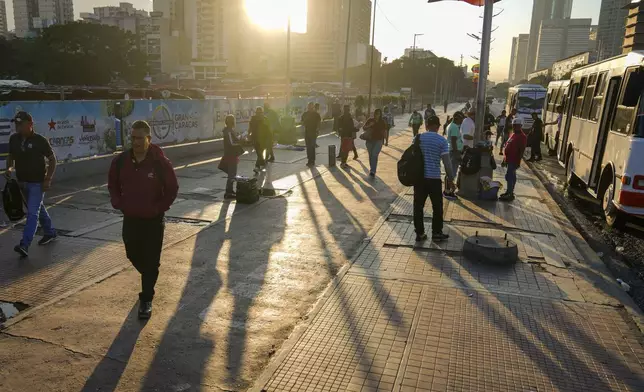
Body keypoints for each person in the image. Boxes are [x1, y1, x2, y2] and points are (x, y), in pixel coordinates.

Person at [108, 120, 179, 319]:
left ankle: (146, 298)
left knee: (152, 261)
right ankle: (149, 275)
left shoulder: (159, 162)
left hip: (153, 221)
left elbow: (172, 189)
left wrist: (158, 208)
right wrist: (118, 202)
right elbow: (112, 184)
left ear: (149, 139)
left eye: (140, 138)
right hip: (130, 218)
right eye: (133, 137)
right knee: (132, 254)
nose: (136, 142)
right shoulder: (121, 161)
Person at [5, 111, 57, 257]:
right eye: (16, 123)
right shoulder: (14, 139)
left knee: (32, 213)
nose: (17, 126)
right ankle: (50, 232)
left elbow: (53, 160)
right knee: (38, 208)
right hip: (22, 183)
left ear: (30, 124)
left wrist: (48, 179)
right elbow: (11, 157)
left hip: (37, 184)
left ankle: (25, 244)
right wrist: (9, 169)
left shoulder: (40, 140)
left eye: (20, 124)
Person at [414, 115, 455, 242]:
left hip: (419, 178)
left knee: (418, 206)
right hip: (434, 178)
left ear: (426, 126)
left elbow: (413, 157)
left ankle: (420, 234)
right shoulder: (442, 141)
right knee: (437, 207)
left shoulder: (418, 138)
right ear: (438, 127)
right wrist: (451, 178)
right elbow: (447, 162)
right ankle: (437, 233)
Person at [500, 118, 527, 202]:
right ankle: (508, 191)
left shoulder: (522, 136)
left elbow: (521, 150)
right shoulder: (513, 134)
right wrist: (504, 159)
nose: (515, 127)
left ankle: (510, 194)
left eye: (517, 126)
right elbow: (508, 146)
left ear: (521, 126)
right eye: (514, 126)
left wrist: (518, 161)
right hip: (508, 159)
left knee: (510, 176)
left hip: (514, 160)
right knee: (510, 176)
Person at [221, 115, 242, 198]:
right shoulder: (228, 131)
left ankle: (230, 190)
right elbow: (231, 143)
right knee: (232, 174)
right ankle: (228, 192)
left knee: (232, 174)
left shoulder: (228, 130)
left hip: (231, 154)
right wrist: (240, 142)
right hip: (231, 154)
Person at [363, 108, 388, 177]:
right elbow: (364, 128)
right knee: (371, 156)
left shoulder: (382, 122)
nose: (377, 115)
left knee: (374, 154)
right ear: (374, 114)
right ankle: (372, 169)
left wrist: (386, 140)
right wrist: (369, 125)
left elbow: (385, 131)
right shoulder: (370, 120)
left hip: (379, 140)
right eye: (376, 113)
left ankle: (373, 171)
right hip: (369, 141)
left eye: (379, 114)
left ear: (380, 114)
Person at [249, 106, 273, 173]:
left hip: (263, 140)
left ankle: (257, 166)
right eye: (257, 113)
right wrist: (248, 135)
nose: (259, 114)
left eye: (260, 113)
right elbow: (250, 128)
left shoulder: (266, 119)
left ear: (262, 113)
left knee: (260, 153)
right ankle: (262, 163)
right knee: (259, 153)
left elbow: (269, 130)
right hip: (255, 139)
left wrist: (271, 139)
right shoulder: (253, 119)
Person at [302, 102, 322, 167]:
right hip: (307, 132)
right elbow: (302, 122)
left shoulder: (316, 114)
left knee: (312, 146)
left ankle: (312, 160)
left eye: (311, 107)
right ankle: (309, 160)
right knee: (308, 147)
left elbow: (319, 122)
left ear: (313, 107)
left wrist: (317, 130)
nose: (310, 108)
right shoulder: (305, 114)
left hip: (313, 132)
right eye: (309, 106)